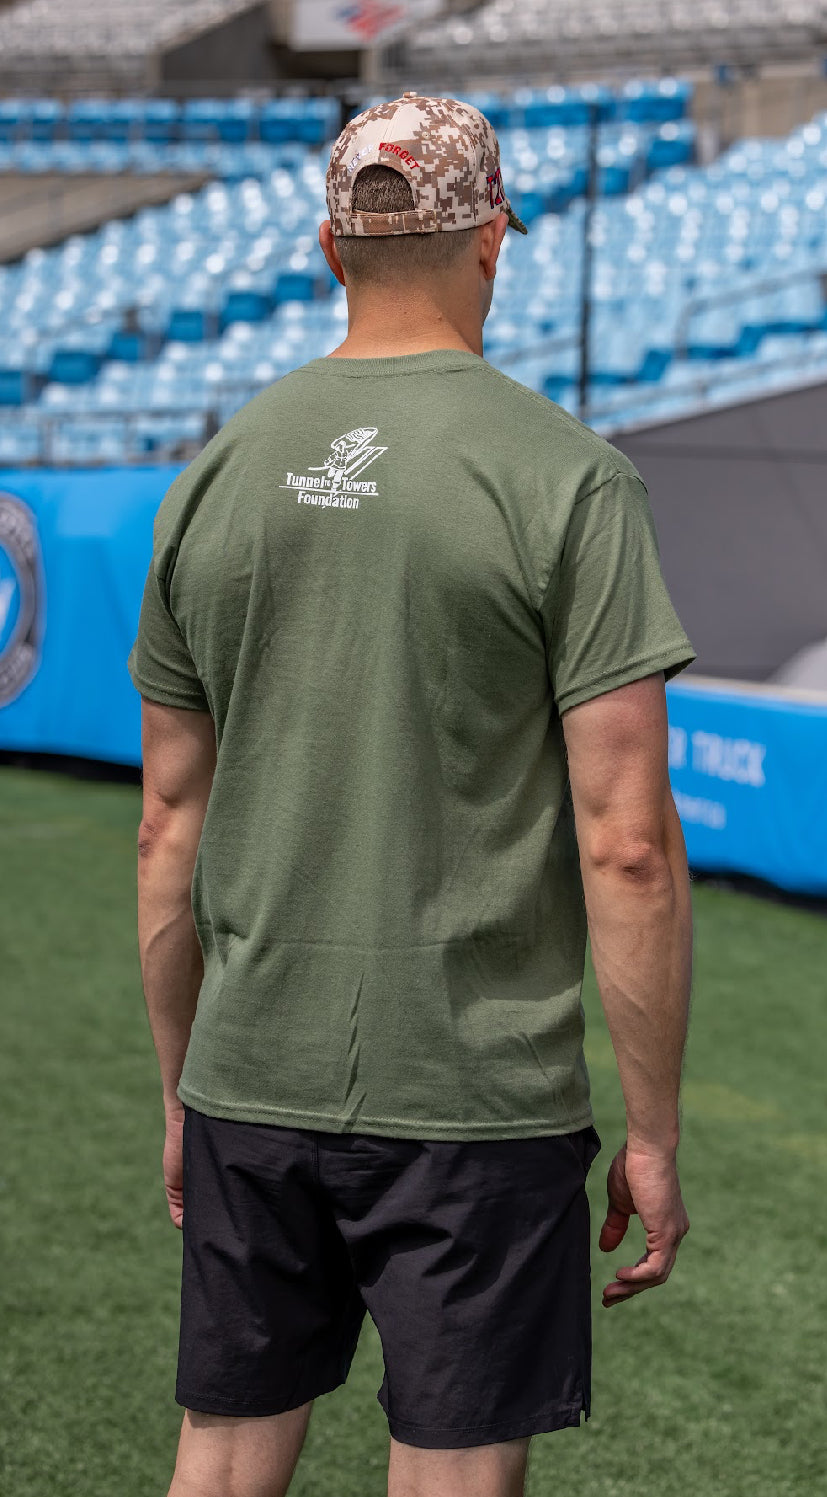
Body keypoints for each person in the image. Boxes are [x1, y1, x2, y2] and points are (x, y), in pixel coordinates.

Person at [128, 92, 695, 1497]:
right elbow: (627, 846)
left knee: (222, 1456)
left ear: (332, 247)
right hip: (476, 1092)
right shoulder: (570, 480)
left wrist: (184, 1089)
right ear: (495, 237)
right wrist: (654, 1133)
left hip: (249, 1071)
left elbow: (166, 827)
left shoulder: (211, 477)